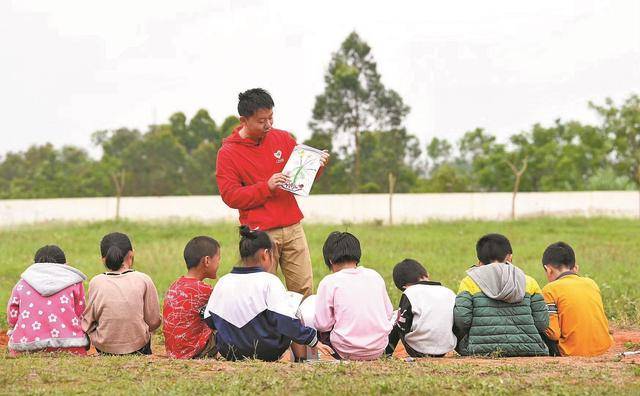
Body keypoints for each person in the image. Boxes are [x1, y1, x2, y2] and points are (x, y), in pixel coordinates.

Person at [215, 88, 329, 298]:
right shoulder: (228, 153)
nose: (268, 125)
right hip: (260, 234)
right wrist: (265, 187)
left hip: (293, 227)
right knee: (264, 293)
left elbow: (300, 180)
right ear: (243, 120)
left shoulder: (283, 138)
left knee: (303, 290)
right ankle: (268, 332)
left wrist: (317, 165)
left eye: (271, 117)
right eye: (261, 121)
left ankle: (303, 331)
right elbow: (230, 196)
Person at [202, 226, 332, 361]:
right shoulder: (270, 281)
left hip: (229, 351)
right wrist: (314, 341)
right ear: (265, 254)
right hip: (267, 352)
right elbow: (286, 322)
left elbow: (209, 319)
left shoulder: (223, 281)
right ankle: (302, 360)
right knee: (292, 313)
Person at [453, 233, 549, 356]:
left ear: (479, 262)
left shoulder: (469, 282)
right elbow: (542, 323)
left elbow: (462, 320)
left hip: (477, 350)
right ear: (509, 257)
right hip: (530, 349)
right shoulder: (528, 281)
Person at [314, 231, 394, 360]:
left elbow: (322, 325)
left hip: (344, 350)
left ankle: (306, 358)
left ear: (330, 260)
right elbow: (388, 314)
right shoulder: (375, 276)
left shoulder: (329, 282)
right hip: (378, 349)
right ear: (357, 256)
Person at [82, 232, 162, 355]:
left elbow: (88, 321)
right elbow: (154, 321)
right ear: (131, 254)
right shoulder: (143, 279)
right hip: (138, 346)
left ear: (103, 259)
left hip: (104, 347)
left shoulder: (96, 282)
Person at [6, 245, 89, 355]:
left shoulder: (22, 284)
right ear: (65, 264)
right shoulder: (74, 283)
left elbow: (13, 316)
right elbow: (81, 314)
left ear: (35, 264)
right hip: (70, 344)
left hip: (26, 346)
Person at [541, 242, 613, 356]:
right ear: (575, 268)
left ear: (548, 270)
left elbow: (553, 334)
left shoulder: (549, 289)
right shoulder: (591, 283)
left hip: (572, 351)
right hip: (603, 348)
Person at [163, 236, 220, 359]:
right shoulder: (205, 290)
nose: (219, 263)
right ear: (207, 261)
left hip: (173, 351)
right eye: (218, 259)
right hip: (193, 352)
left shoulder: (175, 285)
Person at [385, 259, 456, 358]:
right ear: (426, 274)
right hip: (445, 348)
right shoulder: (449, 292)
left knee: (397, 316)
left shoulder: (410, 292)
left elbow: (403, 325)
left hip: (417, 350)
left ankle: (387, 353)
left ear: (404, 287)